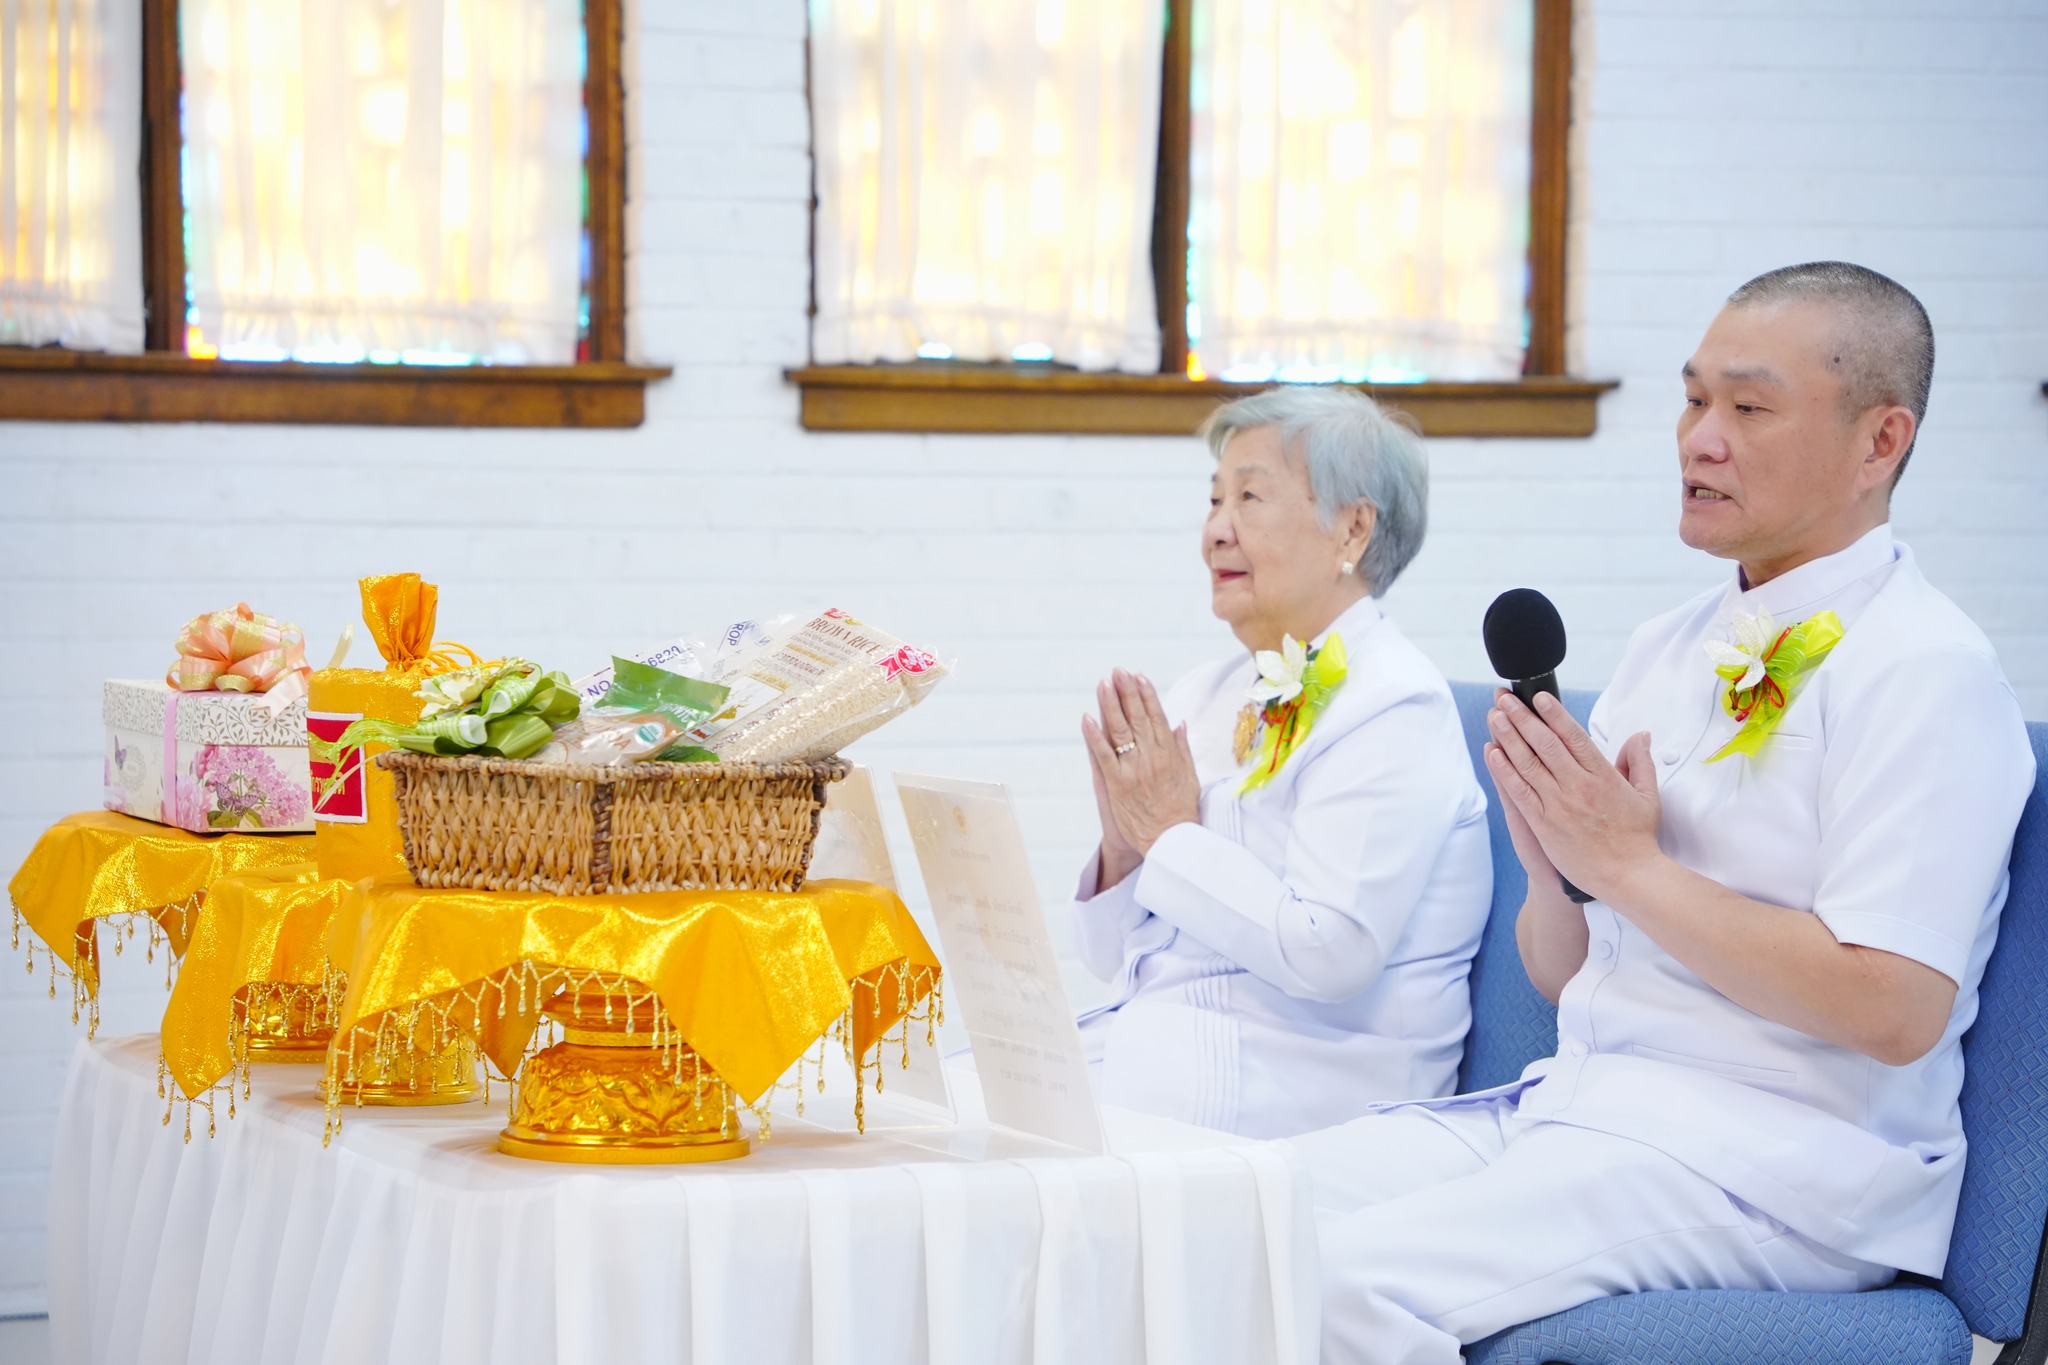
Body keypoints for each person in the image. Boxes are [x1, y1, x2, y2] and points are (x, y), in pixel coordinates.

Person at [1288, 262, 2038, 1363]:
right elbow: (1565, 973)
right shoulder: (1666, 644)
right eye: (1691, 400)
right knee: (1223, 1219)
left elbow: (1893, 1008)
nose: (1698, 438)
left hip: (1778, 1169)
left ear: (1879, 442)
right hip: (1579, 1110)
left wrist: (1629, 865)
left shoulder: (1926, 668)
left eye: (1747, 406)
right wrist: (1553, 863)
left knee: (1336, 1286)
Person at [1074, 385, 1492, 1139]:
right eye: (1213, 500)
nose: (1214, 533)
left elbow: (1328, 952)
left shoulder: (1394, 705)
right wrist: (1123, 847)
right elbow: (1106, 953)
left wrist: (1169, 835)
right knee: (945, 1100)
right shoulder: (1208, 691)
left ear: (1352, 530)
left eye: (1249, 497)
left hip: (1304, 1094)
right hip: (1166, 1048)